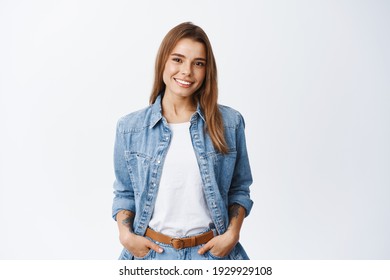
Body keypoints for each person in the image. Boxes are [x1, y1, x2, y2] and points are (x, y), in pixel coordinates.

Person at [112, 22, 253, 260]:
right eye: (177, 59)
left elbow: (239, 188)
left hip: (211, 254)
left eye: (198, 63)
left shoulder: (230, 123)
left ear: (207, 71)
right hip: (152, 254)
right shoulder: (130, 128)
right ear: (163, 62)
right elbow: (125, 192)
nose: (187, 71)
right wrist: (126, 236)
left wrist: (232, 234)